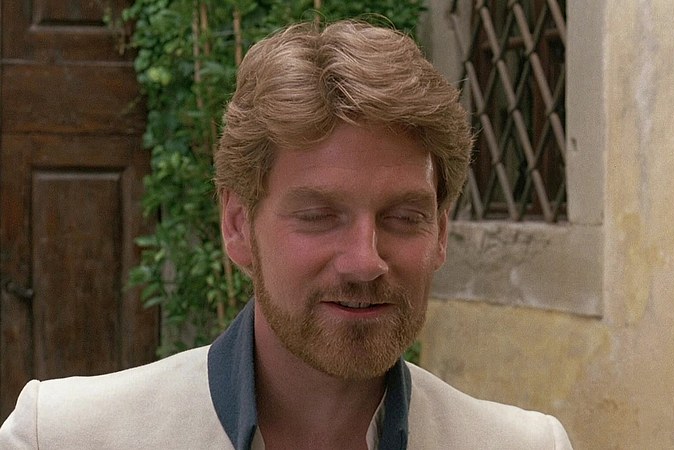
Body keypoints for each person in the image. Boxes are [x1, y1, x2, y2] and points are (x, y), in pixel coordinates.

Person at [0, 20, 573, 449]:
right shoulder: (65, 436)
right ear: (237, 226)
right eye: (319, 215)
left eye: (404, 217)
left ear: (441, 234)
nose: (365, 260)